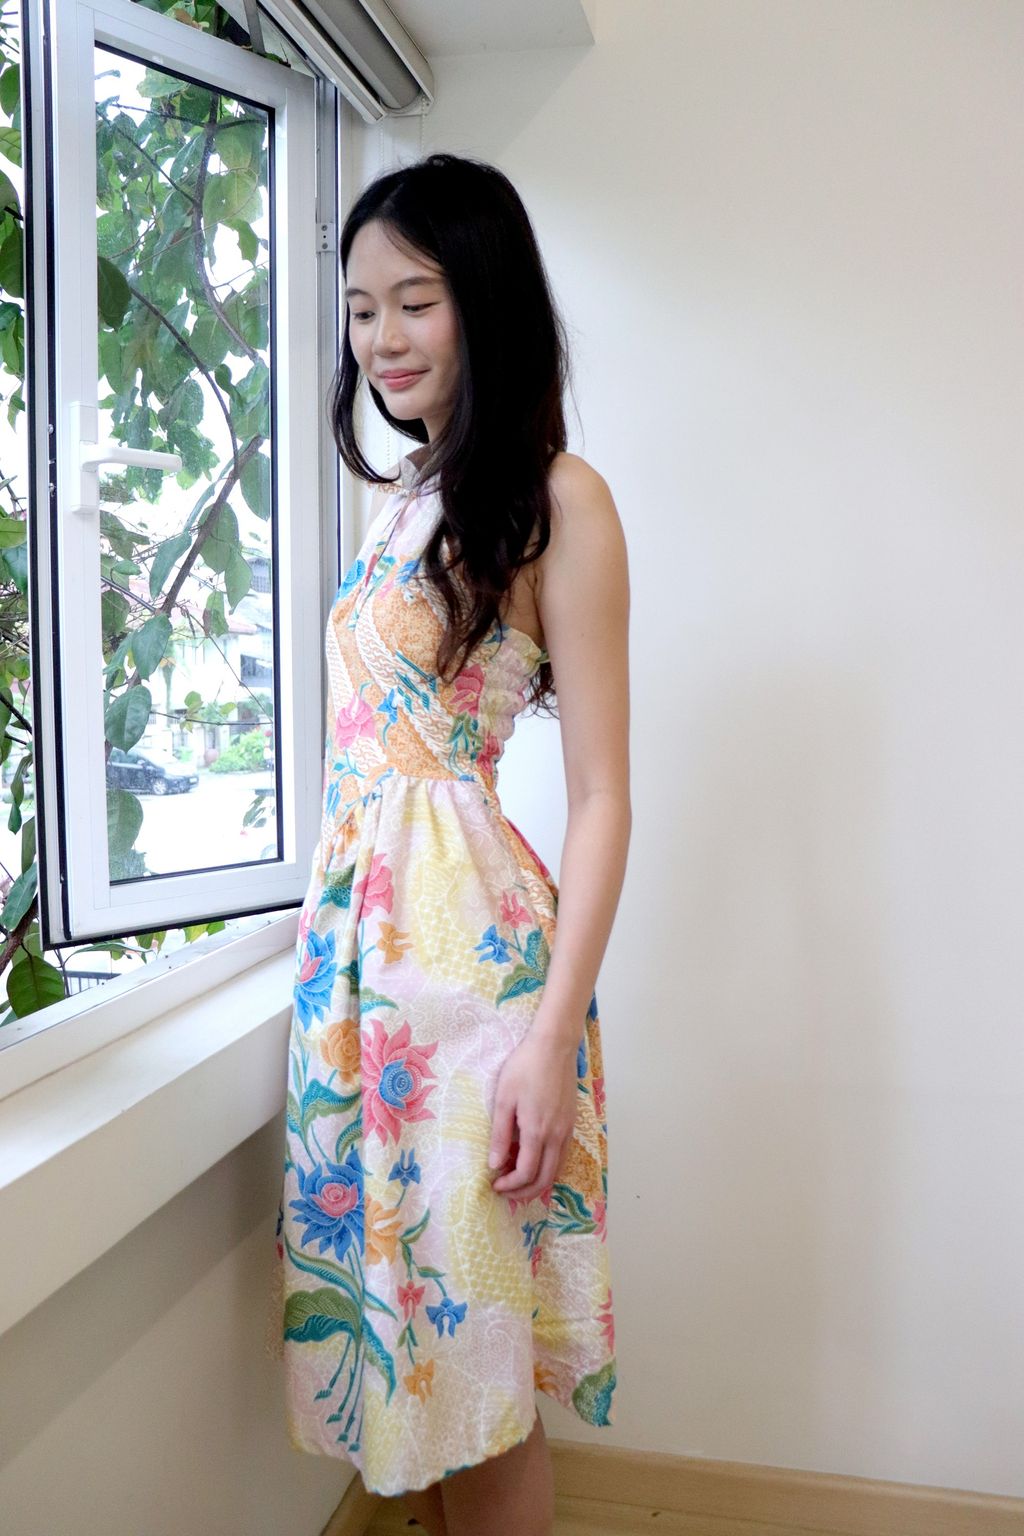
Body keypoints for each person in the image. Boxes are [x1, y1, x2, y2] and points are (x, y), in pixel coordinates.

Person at [268, 152, 631, 1536]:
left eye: (414, 300)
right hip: (359, 986)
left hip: (477, 992)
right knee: (413, 1364)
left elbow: (602, 795)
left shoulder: (561, 498)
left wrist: (548, 1036)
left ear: (485, 298)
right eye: (362, 308)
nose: (383, 337)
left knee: (481, 1376)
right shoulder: (407, 495)